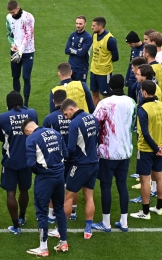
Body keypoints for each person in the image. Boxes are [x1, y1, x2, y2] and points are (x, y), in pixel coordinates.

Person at [91, 74, 137, 233]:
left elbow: (94, 123)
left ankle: (106, 222)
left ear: (110, 87)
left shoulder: (105, 103)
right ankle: (124, 222)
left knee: (105, 186)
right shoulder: (131, 102)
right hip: (125, 151)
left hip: (107, 152)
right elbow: (132, 124)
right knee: (122, 185)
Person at [22, 119, 69, 257]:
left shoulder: (32, 138)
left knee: (41, 212)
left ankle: (43, 248)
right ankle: (63, 242)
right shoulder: (55, 133)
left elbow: (31, 163)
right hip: (60, 176)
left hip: (45, 178)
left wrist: (40, 171)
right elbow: (65, 155)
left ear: (27, 131)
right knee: (59, 208)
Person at [0, 91, 38, 234]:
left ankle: (16, 226)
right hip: (28, 159)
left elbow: (1, 138)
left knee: (10, 193)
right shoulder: (32, 113)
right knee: (24, 190)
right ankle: (22, 217)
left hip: (10, 160)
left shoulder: (3, 117)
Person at [130, 80, 162, 220]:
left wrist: (155, 148)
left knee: (145, 180)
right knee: (159, 177)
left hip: (146, 149)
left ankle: (145, 212)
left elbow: (145, 133)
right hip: (159, 148)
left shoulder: (143, 109)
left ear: (144, 92)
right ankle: (159, 208)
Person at [60, 99, 99, 239]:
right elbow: (98, 139)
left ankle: (61, 229)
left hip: (80, 165)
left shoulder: (75, 123)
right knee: (89, 196)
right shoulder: (92, 117)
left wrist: (65, 158)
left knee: (68, 196)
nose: (65, 117)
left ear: (71, 109)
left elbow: (70, 148)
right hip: (94, 162)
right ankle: (88, 229)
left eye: (65, 114)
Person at [43, 89, 76, 222]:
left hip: (56, 157)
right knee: (72, 184)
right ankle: (73, 211)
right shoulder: (74, 116)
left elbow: (44, 138)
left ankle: (52, 214)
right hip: (73, 155)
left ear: (53, 101)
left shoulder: (49, 118)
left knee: (54, 184)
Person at [6, 0, 35, 107]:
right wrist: (12, 44)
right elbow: (9, 34)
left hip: (28, 52)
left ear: (18, 8)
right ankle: (17, 103)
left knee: (26, 77)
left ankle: (26, 103)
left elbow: (29, 35)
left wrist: (21, 51)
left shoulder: (28, 17)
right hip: (15, 51)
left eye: (13, 12)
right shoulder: (8, 18)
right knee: (15, 76)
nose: (12, 15)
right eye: (10, 13)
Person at [89, 17, 119, 106]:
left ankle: (107, 117)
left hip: (104, 73)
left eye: (94, 25)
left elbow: (116, 57)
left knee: (106, 96)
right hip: (94, 70)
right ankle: (96, 115)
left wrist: (105, 63)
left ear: (100, 26)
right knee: (94, 93)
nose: (92, 27)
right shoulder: (94, 35)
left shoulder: (110, 40)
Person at [64, 15, 92, 83]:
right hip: (71, 68)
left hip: (81, 69)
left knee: (81, 90)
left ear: (85, 24)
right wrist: (77, 50)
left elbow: (82, 53)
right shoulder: (72, 35)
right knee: (70, 90)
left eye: (80, 24)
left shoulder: (88, 37)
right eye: (76, 23)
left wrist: (72, 49)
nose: (78, 25)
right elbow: (66, 50)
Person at [124, 31, 144, 101]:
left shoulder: (144, 49)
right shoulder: (133, 49)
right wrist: (127, 78)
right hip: (131, 79)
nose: (129, 45)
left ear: (135, 41)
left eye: (130, 43)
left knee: (138, 100)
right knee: (131, 100)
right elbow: (130, 64)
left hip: (139, 79)